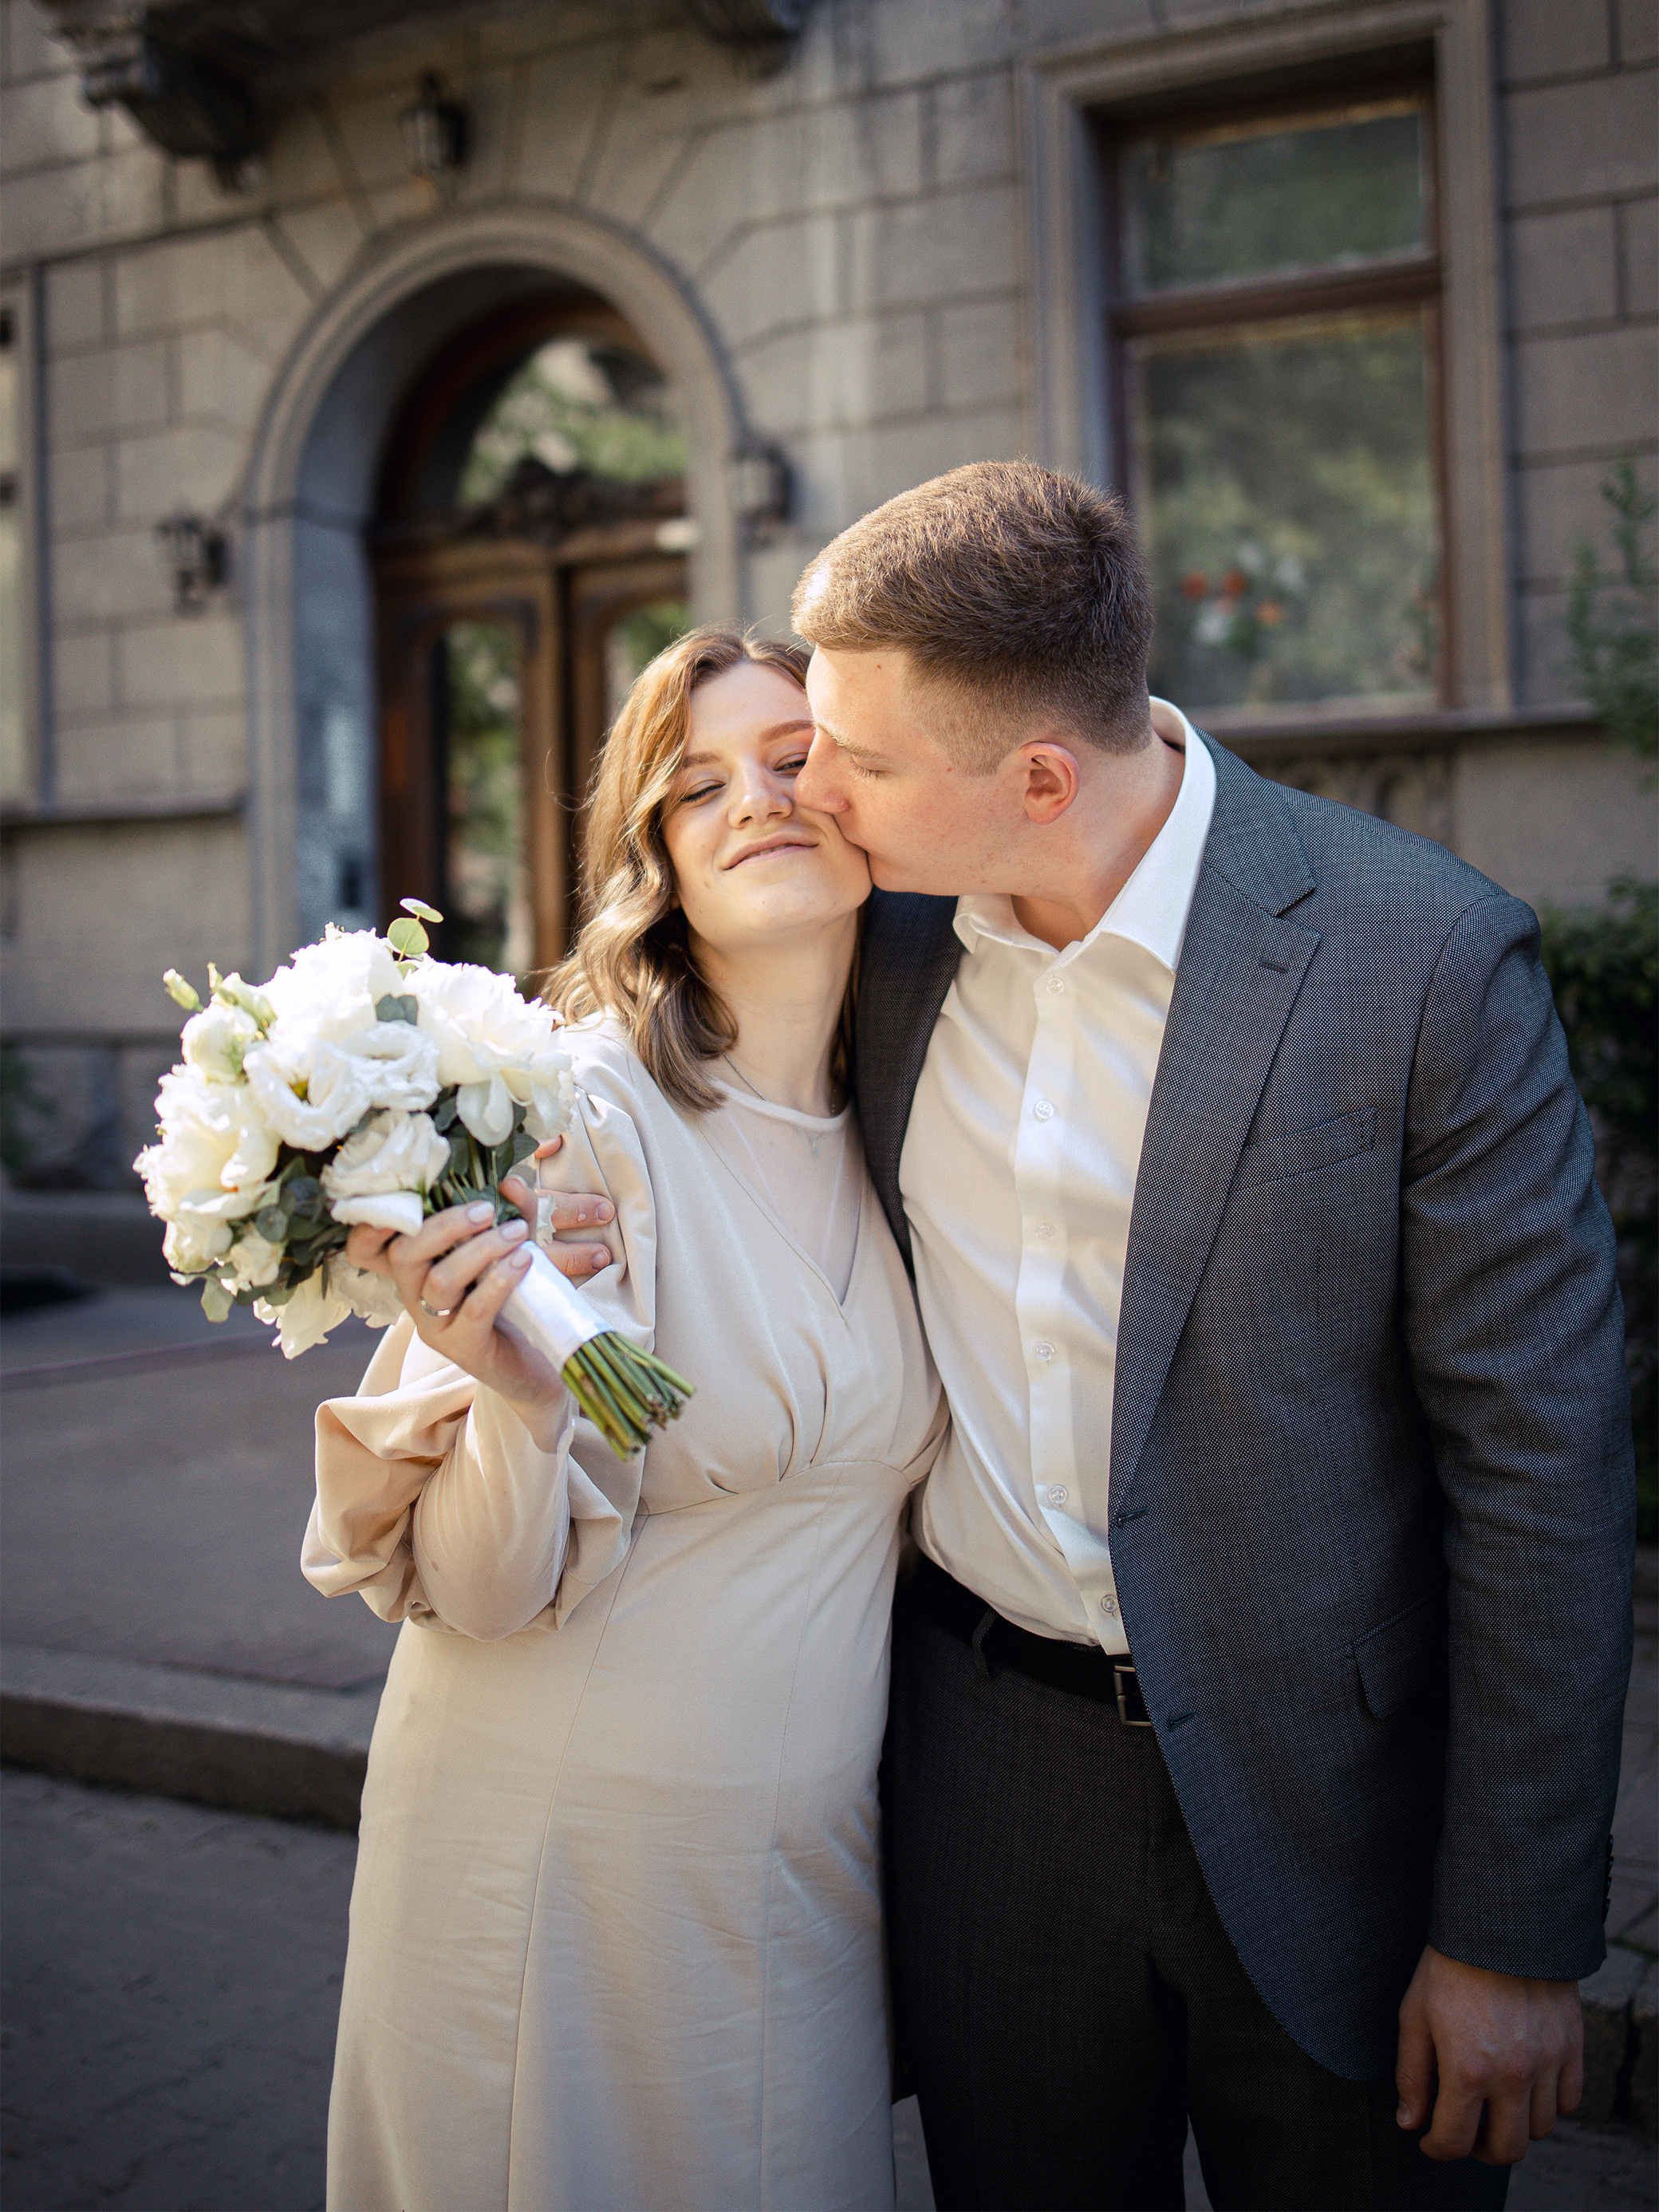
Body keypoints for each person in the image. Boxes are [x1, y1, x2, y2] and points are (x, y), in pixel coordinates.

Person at [771, 460, 1633, 2211]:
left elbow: (1538, 1464)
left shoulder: (1419, 959)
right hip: (989, 1774)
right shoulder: (877, 944)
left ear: (1032, 776)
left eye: (853, 756)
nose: (813, 786)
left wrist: (1513, 1936)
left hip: (1332, 1807)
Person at [301, 626, 944, 2212]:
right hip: (562, 1852)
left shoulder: (917, 1123)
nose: (756, 801)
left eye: (793, 760)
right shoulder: (577, 1122)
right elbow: (480, 1588)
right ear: (655, 854)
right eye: (696, 784)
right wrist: (520, 1407)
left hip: (807, 1875)